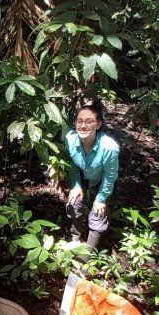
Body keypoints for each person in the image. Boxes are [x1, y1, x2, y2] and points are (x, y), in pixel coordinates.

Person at [65, 102, 120, 257]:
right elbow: (73, 164)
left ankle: (86, 254)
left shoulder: (109, 147)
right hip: (83, 175)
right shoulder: (70, 139)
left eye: (89, 121)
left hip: (102, 179)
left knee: (98, 212)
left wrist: (101, 199)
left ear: (98, 124)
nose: (83, 125)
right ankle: (76, 238)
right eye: (80, 121)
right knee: (74, 201)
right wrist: (76, 185)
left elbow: (110, 175)